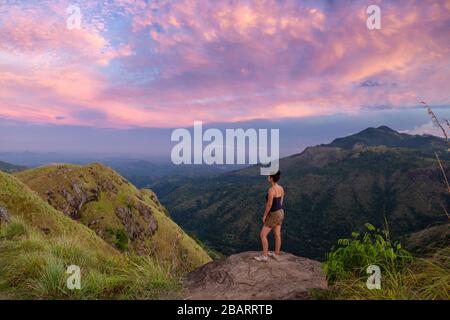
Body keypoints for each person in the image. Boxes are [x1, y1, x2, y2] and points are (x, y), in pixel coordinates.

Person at [254, 170, 284, 262]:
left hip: (273, 213)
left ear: (271, 178)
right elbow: (281, 200)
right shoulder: (281, 188)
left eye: (268, 176)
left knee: (263, 235)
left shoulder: (271, 190)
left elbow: (269, 204)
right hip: (280, 212)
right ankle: (276, 254)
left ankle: (264, 256)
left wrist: (265, 215)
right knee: (277, 234)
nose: (267, 177)